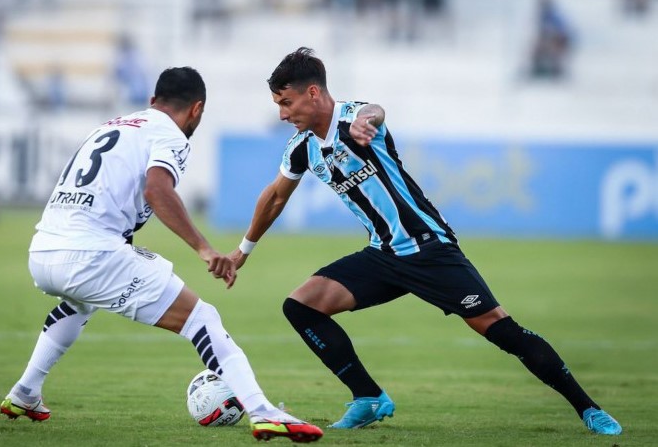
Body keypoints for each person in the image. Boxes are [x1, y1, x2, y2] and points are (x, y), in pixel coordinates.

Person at [228, 47, 622, 436]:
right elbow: (276, 196)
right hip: (383, 256)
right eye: (279, 104)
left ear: (313, 93)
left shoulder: (355, 120)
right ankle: (367, 396)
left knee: (502, 331)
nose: (282, 114)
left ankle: (589, 408)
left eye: (287, 102)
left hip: (430, 249)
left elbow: (374, 111)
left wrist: (370, 119)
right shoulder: (302, 147)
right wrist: (243, 251)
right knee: (301, 306)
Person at [0, 67, 323, 443]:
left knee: (80, 304)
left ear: (153, 101)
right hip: (91, 253)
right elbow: (157, 189)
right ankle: (264, 412)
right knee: (202, 318)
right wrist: (204, 248)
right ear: (196, 110)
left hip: (43, 251)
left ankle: (25, 393)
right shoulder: (169, 134)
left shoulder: (110, 126)